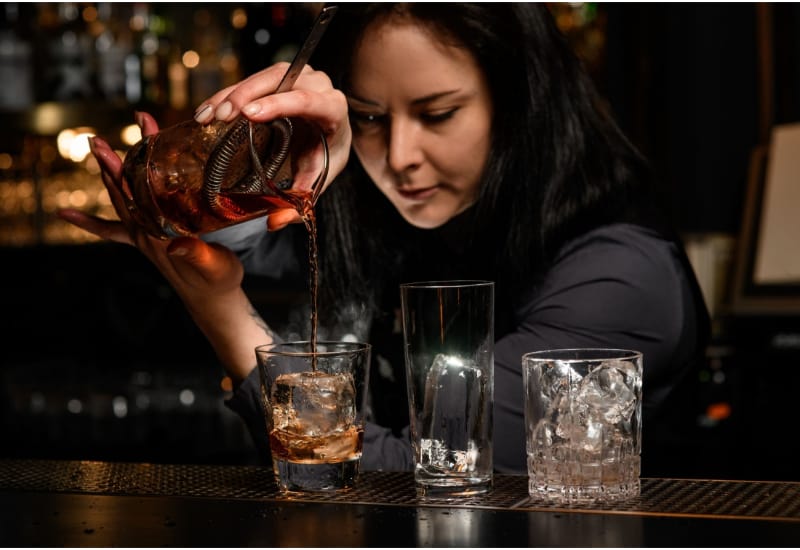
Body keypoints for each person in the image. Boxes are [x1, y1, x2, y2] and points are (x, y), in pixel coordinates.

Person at [58, 3, 710, 475]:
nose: (399, 156)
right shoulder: (394, 214)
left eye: (437, 114)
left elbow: (409, 481)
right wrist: (281, 144)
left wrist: (222, 314)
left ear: (521, 102)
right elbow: (194, 223)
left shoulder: (621, 280)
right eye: (370, 118)